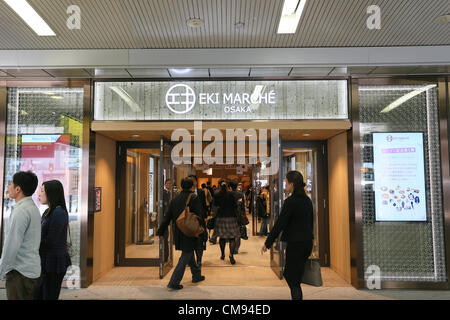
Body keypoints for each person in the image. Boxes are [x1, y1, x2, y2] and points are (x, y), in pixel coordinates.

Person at [261, 171, 313, 300]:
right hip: (307, 242)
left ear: (292, 184)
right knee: (294, 277)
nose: (285, 184)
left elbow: (280, 223)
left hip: (296, 244)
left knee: (292, 278)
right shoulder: (307, 200)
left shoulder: (291, 201)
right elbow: (311, 222)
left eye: (286, 182)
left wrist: (268, 243)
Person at [156, 178, 205, 290]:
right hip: (190, 231)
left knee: (189, 252)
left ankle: (196, 275)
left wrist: (161, 231)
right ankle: (174, 281)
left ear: (182, 187)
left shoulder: (175, 199)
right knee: (186, 255)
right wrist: (203, 230)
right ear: (192, 186)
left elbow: (167, 217)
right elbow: (199, 215)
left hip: (178, 231)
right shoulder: (194, 197)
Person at [0, 171, 41, 300]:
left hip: (19, 273)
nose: (8, 187)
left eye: (10, 184)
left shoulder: (20, 212)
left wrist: (1, 271)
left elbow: (11, 245)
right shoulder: (33, 208)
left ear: (18, 189)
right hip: (31, 269)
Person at [34, 180, 72, 300]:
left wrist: (33, 243)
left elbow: (51, 240)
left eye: (42, 191)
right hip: (44, 262)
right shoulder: (47, 211)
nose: (39, 194)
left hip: (54, 264)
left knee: (49, 295)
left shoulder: (59, 212)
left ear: (52, 194)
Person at [213, 179, 240, 265]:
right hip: (231, 217)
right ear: (228, 186)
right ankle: (231, 255)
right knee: (232, 238)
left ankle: (222, 254)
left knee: (222, 237)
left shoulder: (217, 194)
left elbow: (215, 206)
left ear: (219, 185)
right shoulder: (231, 194)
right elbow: (235, 205)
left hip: (221, 218)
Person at [188, 175, 208, 268]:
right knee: (190, 241)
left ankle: (199, 260)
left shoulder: (200, 192)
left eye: (193, 180)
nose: (192, 182)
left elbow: (204, 205)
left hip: (200, 219)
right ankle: (190, 260)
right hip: (189, 220)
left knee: (200, 240)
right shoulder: (186, 192)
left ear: (196, 182)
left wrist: (205, 216)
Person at [229, 180, 246, 254]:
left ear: (230, 187)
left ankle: (232, 248)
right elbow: (242, 206)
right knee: (238, 233)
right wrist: (243, 215)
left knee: (231, 233)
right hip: (238, 215)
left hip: (230, 216)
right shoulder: (240, 194)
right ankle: (236, 248)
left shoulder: (228, 194)